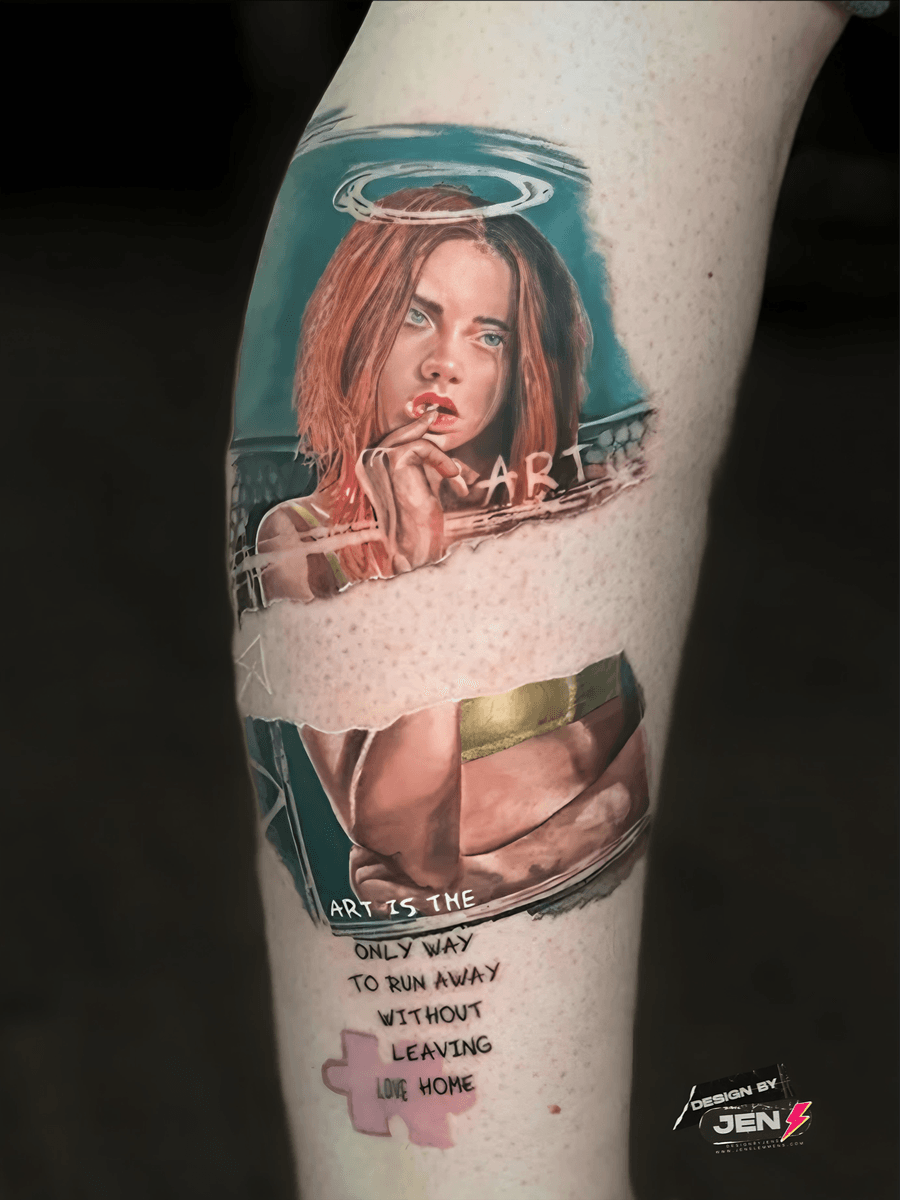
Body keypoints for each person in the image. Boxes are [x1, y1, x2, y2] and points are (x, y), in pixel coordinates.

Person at [254, 184, 593, 600]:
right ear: (360, 328)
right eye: (416, 316)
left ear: (523, 366)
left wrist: (420, 560)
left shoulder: (579, 513)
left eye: (490, 338)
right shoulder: (300, 537)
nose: (444, 364)